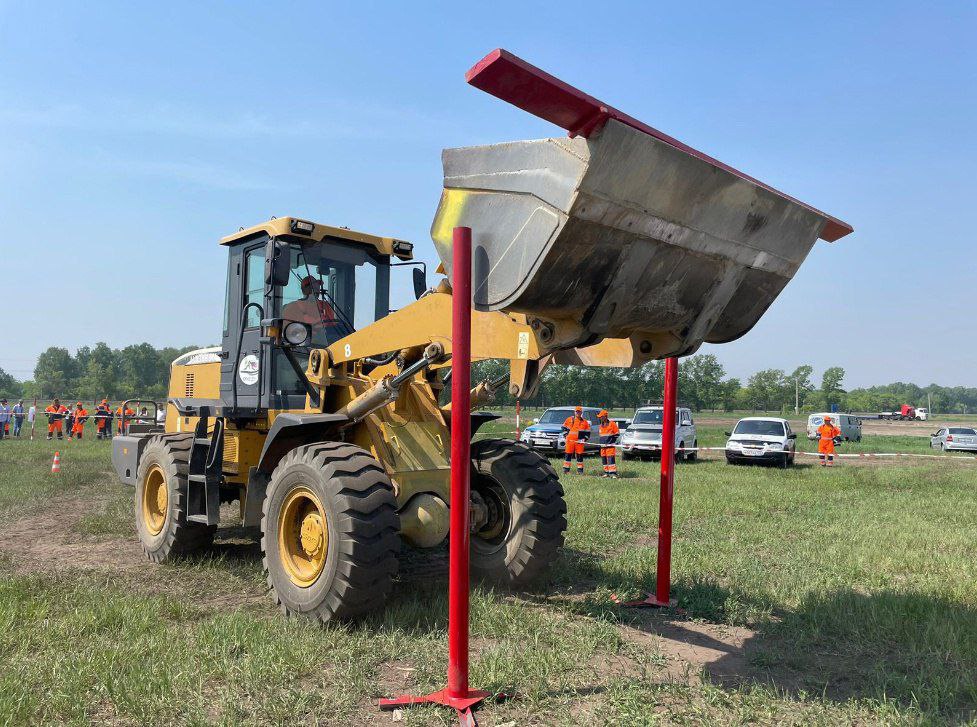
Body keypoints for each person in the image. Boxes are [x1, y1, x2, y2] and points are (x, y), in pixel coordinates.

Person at [282, 275, 341, 341]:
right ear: (305, 289)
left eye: (318, 285)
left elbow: (333, 325)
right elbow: (290, 332)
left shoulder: (325, 305)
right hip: (306, 343)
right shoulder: (292, 307)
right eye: (314, 285)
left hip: (328, 340)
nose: (317, 288)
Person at [561, 405, 591, 475]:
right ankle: (566, 470)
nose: (578, 413)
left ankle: (580, 471)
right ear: (574, 412)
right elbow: (563, 428)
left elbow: (588, 432)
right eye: (576, 412)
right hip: (570, 441)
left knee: (579, 455)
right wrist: (566, 435)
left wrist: (584, 439)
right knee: (568, 455)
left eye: (579, 412)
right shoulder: (569, 419)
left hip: (579, 442)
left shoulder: (585, 422)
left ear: (581, 413)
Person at [597, 410, 620, 478]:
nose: (600, 418)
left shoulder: (612, 424)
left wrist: (610, 442)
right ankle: (606, 472)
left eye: (601, 417)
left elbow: (617, 434)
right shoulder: (601, 425)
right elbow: (601, 436)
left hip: (610, 446)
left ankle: (613, 473)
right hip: (602, 446)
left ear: (605, 417)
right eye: (600, 417)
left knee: (610, 459)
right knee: (604, 459)